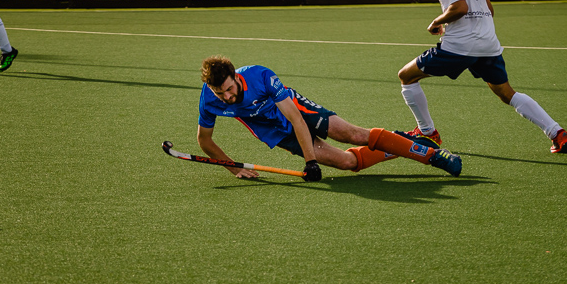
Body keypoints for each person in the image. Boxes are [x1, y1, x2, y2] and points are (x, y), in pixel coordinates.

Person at [398, 0, 567, 154]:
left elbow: (459, 7)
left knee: (406, 76)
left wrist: (436, 22)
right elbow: (488, 8)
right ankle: (557, 133)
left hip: (460, 47)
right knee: (506, 93)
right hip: (487, 44)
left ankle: (427, 133)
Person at [197, 56, 462, 181]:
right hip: (273, 130)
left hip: (294, 109)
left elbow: (297, 119)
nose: (227, 97)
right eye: (220, 93)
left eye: (230, 89)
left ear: (236, 77)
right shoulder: (210, 99)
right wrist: (233, 168)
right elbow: (205, 140)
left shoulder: (259, 76)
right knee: (348, 163)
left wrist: (310, 162)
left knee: (353, 135)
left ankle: (433, 156)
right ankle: (398, 144)